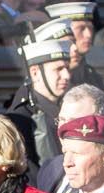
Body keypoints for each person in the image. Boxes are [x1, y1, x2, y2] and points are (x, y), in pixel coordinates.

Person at [11, 37, 73, 169]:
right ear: (35, 73)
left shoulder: (70, 108)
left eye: (67, 68)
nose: (66, 75)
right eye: (59, 69)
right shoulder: (22, 116)